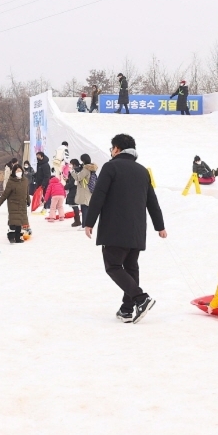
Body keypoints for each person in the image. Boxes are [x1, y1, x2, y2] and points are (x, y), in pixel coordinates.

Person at [84, 133, 166, 324]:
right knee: (130, 267)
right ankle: (127, 309)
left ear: (117, 149)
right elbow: (152, 201)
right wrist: (159, 226)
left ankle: (140, 298)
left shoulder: (111, 167)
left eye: (112, 148)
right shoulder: (142, 171)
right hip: (137, 230)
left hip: (115, 228)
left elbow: (99, 195)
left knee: (113, 266)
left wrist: (89, 222)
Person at [0, 163, 30, 243]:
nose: (19, 172)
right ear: (14, 172)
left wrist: (28, 200)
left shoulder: (25, 181)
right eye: (17, 171)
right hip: (13, 204)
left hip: (22, 204)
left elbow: (26, 192)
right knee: (13, 222)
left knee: (20, 222)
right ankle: (11, 236)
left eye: (20, 170)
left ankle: (17, 238)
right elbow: (5, 194)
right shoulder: (11, 182)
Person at [72, 154, 97, 228]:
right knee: (87, 207)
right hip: (88, 189)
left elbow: (79, 177)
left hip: (84, 190)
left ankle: (84, 225)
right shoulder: (91, 168)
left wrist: (72, 172)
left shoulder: (86, 169)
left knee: (84, 208)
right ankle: (87, 224)